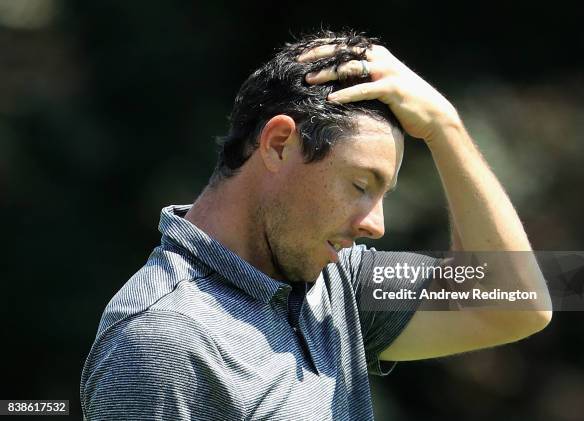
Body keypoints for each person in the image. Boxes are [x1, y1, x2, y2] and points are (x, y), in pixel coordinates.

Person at [80, 30, 552, 420]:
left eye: (384, 194)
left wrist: (444, 127)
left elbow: (516, 303)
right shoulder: (160, 341)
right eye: (360, 184)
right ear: (280, 144)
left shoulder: (340, 282)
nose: (376, 226)